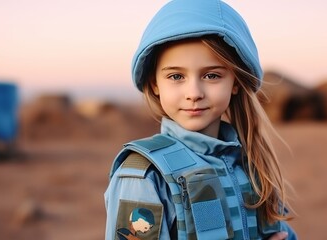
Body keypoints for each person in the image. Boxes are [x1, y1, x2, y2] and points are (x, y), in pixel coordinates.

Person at [105, 0, 298, 239]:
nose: (194, 93)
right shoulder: (144, 175)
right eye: (176, 76)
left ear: (235, 82)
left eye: (211, 75)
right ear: (155, 84)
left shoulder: (252, 164)